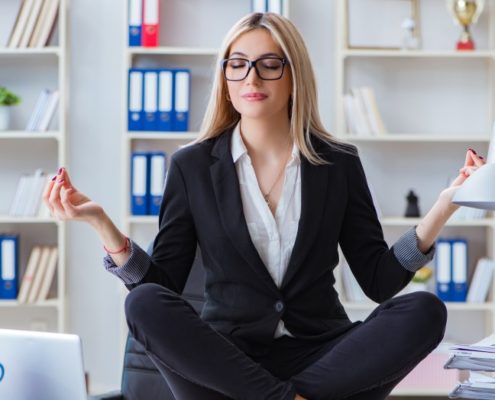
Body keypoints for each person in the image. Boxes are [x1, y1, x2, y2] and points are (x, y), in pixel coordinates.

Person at [44, 12, 485, 400]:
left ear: (294, 77)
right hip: (226, 364)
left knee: (425, 310)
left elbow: (379, 281)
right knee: (144, 305)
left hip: (321, 355)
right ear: (225, 79)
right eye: (237, 65)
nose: (251, 79)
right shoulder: (191, 166)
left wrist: (446, 205)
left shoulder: (337, 163)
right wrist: (102, 225)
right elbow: (165, 284)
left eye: (269, 65)